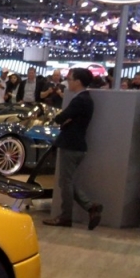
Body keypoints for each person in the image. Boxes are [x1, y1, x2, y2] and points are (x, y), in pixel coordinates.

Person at [43, 67, 103, 230]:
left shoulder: (80, 100)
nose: (67, 82)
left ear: (78, 81)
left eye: (70, 79)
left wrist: (64, 120)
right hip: (77, 145)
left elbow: (60, 118)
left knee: (65, 182)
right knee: (66, 181)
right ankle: (90, 207)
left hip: (71, 145)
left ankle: (67, 216)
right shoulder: (86, 99)